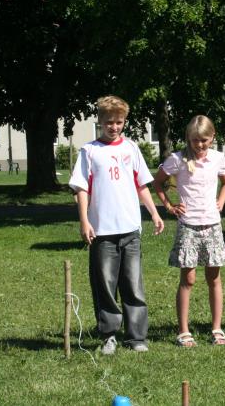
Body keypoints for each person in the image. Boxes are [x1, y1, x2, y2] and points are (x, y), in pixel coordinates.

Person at [69, 95, 164, 354]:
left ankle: (136, 337)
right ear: (100, 122)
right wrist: (84, 221)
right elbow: (81, 188)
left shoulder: (131, 148)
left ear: (124, 122)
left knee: (133, 284)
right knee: (105, 285)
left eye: (119, 122)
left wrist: (154, 213)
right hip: (102, 232)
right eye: (109, 122)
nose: (114, 127)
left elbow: (141, 184)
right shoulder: (89, 151)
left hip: (130, 229)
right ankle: (108, 335)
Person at [153, 115, 225, 347]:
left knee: (214, 277)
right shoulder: (177, 159)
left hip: (212, 225)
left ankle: (217, 328)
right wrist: (169, 206)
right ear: (188, 138)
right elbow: (157, 183)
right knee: (188, 278)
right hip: (188, 225)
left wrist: (221, 201)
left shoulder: (218, 158)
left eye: (204, 140)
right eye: (195, 140)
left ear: (212, 137)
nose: (199, 145)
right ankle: (183, 331)